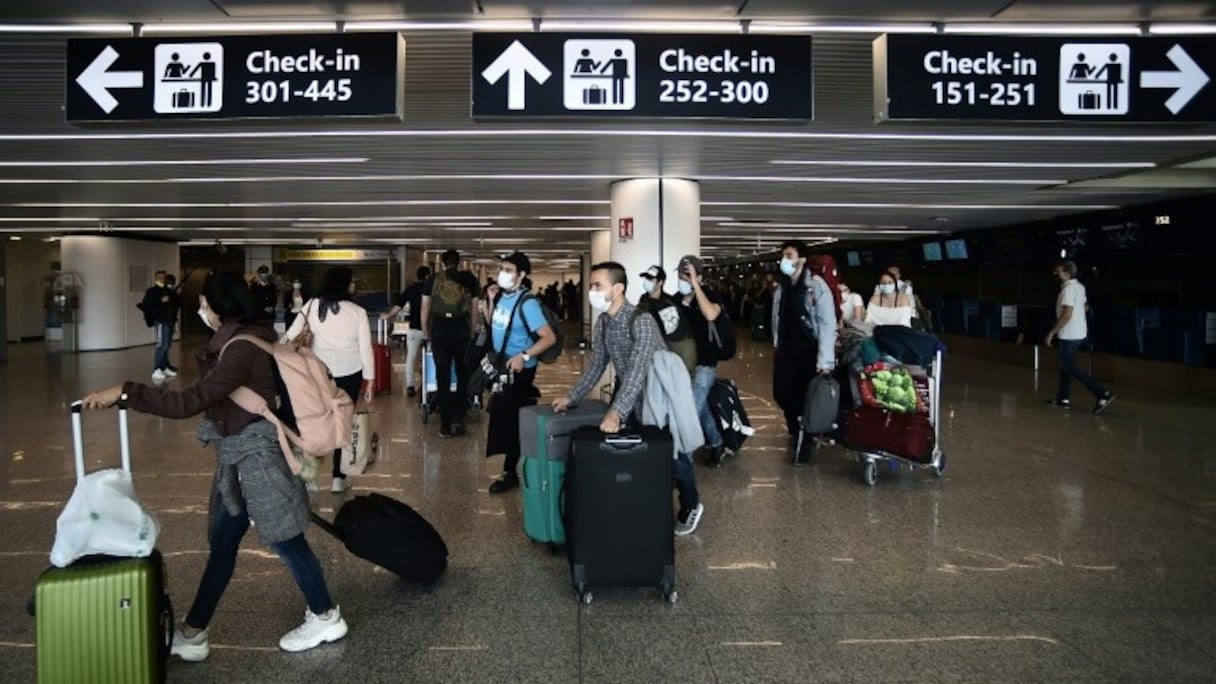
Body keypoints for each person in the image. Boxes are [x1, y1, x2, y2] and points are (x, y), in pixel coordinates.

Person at [81, 270, 348, 659]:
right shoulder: (245, 337)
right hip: (235, 457)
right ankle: (193, 634)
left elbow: (189, 402)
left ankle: (325, 616)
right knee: (223, 545)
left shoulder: (241, 348)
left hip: (256, 457)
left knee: (286, 540)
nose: (201, 308)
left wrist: (125, 391)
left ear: (219, 307)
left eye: (204, 302)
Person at [552, 262, 705, 536]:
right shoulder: (603, 323)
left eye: (598, 285)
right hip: (633, 399)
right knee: (640, 454)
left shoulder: (641, 321)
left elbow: (637, 370)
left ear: (618, 288)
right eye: (591, 286)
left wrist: (616, 412)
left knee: (673, 454)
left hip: (659, 397)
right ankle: (648, 503)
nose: (592, 291)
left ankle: (691, 503)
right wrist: (571, 396)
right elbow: (597, 364)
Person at [284, 266, 374, 493]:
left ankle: (309, 475)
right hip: (349, 374)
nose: (354, 285)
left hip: (317, 374)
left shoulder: (312, 305)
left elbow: (291, 335)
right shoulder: (357, 312)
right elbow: (365, 348)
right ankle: (338, 477)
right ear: (343, 284)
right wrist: (370, 379)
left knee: (313, 421)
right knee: (343, 423)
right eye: (351, 281)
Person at [485, 253, 557, 494]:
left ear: (522, 275)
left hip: (520, 370)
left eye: (508, 269)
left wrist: (524, 356)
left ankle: (510, 471)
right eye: (501, 268)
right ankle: (509, 467)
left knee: (513, 420)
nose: (502, 273)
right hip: (503, 366)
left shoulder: (528, 303)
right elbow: (497, 326)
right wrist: (491, 302)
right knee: (502, 417)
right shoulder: (503, 297)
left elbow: (549, 338)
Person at [771, 241, 838, 465]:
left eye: (789, 255)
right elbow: (778, 317)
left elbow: (827, 323)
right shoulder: (783, 286)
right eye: (783, 255)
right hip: (787, 348)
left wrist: (825, 360)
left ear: (802, 259)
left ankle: (805, 439)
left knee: (804, 396)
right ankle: (796, 428)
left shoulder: (816, 286)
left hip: (808, 349)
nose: (784, 259)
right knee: (782, 392)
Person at [674, 255, 729, 467]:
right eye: (681, 275)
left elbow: (711, 314)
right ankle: (716, 441)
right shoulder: (679, 298)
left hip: (705, 362)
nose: (683, 279)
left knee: (691, 411)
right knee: (701, 405)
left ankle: (682, 460)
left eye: (687, 275)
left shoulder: (709, 295)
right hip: (685, 362)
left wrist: (696, 286)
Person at [421, 249, 480, 437]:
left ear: (443, 263)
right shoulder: (469, 279)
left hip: (439, 330)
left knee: (442, 376)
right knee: (463, 375)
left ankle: (444, 425)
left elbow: (425, 307)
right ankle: (459, 419)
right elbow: (474, 308)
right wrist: (471, 330)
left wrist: (425, 331)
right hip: (461, 330)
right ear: (459, 262)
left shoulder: (433, 280)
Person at [1045, 260, 1116, 414]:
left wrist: (1052, 332)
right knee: (1066, 365)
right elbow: (1084, 307)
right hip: (1079, 333)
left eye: (1058, 271)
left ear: (1067, 273)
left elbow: (1067, 313)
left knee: (1068, 365)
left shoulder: (1068, 290)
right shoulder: (1080, 287)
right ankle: (1063, 399)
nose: (1055, 273)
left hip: (1068, 334)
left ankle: (1102, 393)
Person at [381, 266, 431, 398]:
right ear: (428, 276)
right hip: (430, 330)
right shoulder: (433, 288)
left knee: (411, 358)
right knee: (431, 357)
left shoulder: (411, 289)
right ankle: (430, 383)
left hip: (414, 328)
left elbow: (398, 306)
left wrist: (387, 315)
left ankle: (410, 385)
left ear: (417, 276)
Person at [140, 270, 180, 382]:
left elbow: (177, 303)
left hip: (170, 320)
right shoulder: (152, 291)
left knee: (167, 345)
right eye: (159, 277)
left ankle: (164, 367)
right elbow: (146, 304)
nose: (162, 279)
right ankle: (156, 369)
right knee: (162, 345)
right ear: (156, 278)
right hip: (161, 321)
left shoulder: (168, 290)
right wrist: (160, 300)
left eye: (163, 277)